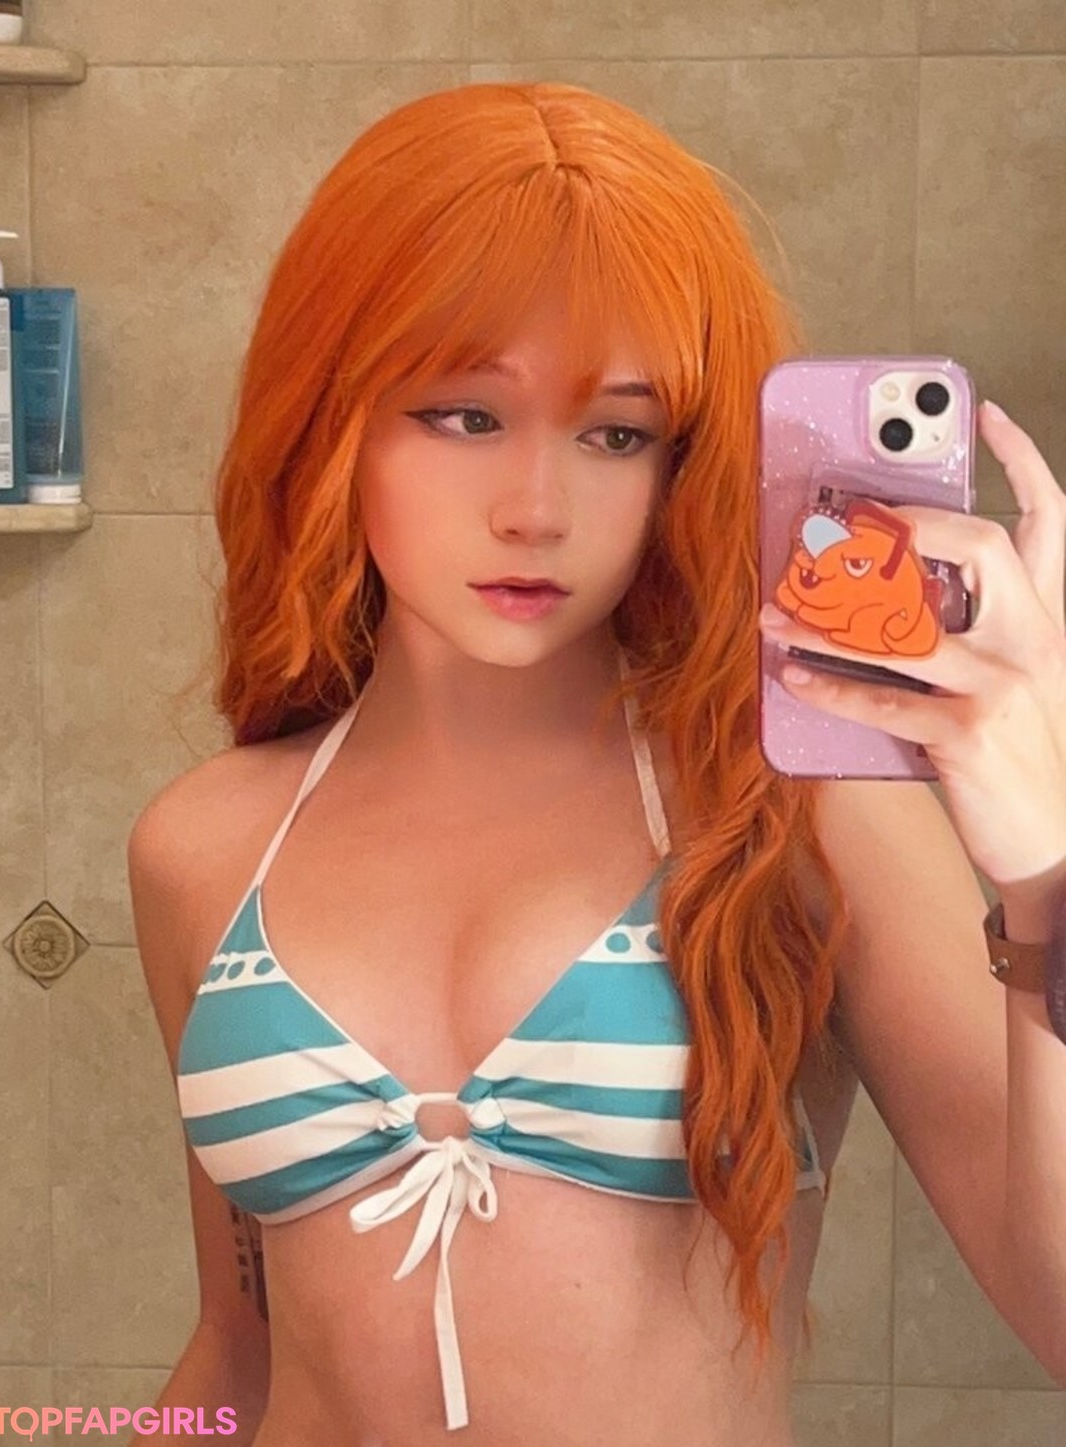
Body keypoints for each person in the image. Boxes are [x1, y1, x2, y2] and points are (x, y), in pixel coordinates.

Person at [126, 80, 1066, 1447]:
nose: (537, 509)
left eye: (617, 434)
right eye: (465, 416)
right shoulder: (203, 847)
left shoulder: (795, 814)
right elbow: (239, 1348)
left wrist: (1044, 872)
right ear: (330, 416)